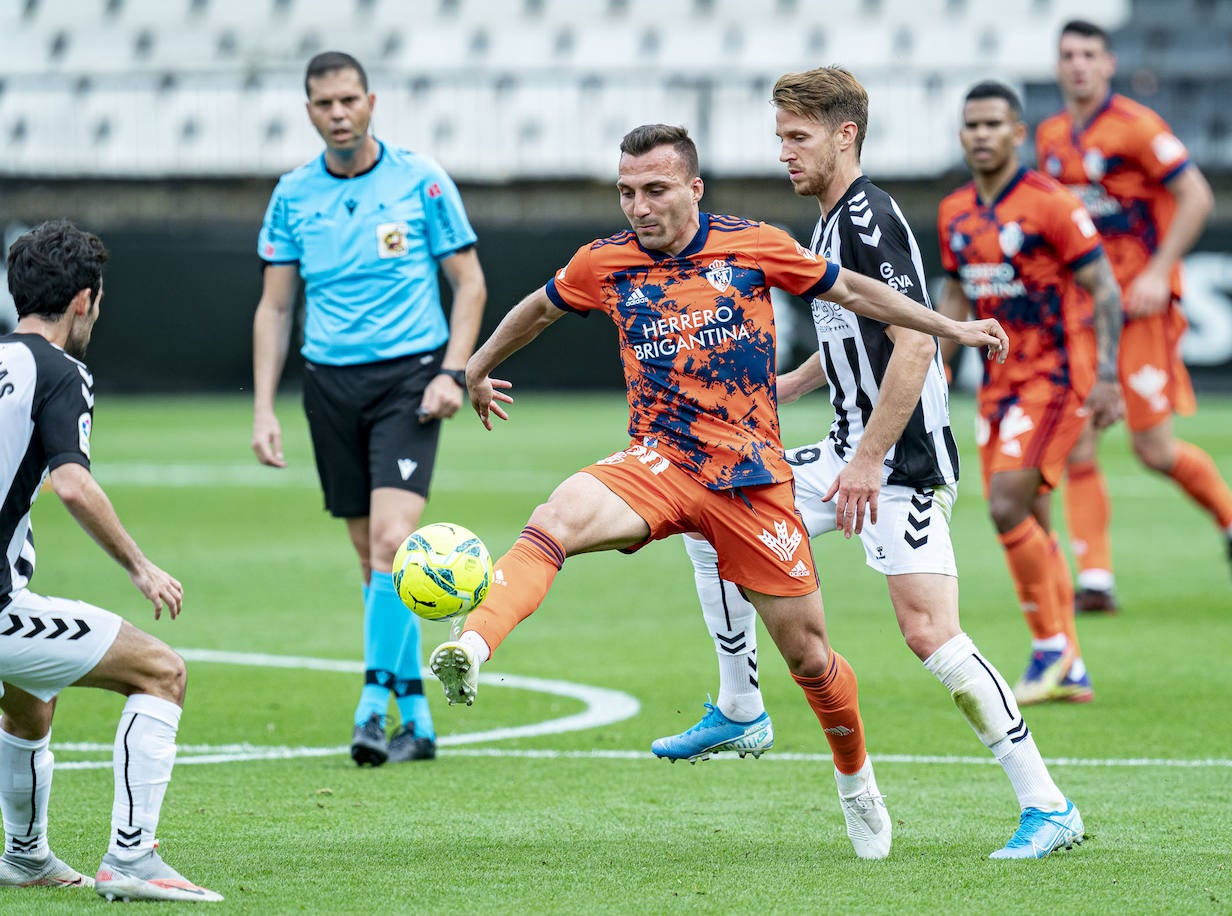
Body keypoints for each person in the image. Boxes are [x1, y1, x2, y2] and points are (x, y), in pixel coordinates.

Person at [426, 123, 1010, 860]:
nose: (639, 207)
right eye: (627, 192)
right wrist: (473, 369)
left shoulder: (754, 244)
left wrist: (947, 325)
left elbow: (860, 293)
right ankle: (475, 643)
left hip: (753, 483)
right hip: (660, 463)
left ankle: (857, 780)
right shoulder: (602, 262)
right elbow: (538, 309)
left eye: (655, 190)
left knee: (809, 659)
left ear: (694, 188)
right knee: (557, 516)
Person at [652, 68, 1087, 859]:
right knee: (709, 508)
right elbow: (852, 338)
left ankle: (1049, 804)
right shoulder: (826, 225)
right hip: (853, 448)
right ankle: (741, 703)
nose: (782, 152)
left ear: (843, 134)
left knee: (930, 635)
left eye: (797, 137)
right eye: (780, 135)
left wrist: (869, 459)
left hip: (904, 462)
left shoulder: (867, 219)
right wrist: (784, 384)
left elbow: (915, 343)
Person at [251, 51, 488, 766]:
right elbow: (275, 305)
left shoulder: (420, 179)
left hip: (409, 382)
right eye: (325, 103)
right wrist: (264, 406)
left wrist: (452, 372)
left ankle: (371, 707)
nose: (339, 113)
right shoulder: (293, 194)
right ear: (309, 111)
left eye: (350, 99)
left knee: (393, 543)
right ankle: (417, 714)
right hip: (329, 384)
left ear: (372, 100)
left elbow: (470, 284)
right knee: (370, 559)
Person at [0, 221, 221, 902]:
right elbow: (73, 481)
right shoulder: (62, 372)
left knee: (29, 702)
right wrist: (139, 566)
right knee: (161, 671)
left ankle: (27, 855)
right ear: (85, 300)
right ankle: (132, 859)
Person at [1037, 19, 1232, 612]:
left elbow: (1197, 195)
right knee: (1078, 442)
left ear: (1108, 64)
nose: (1078, 64)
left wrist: (1161, 270)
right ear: (1057, 66)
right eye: (1068, 55)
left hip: (1138, 307)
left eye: (1089, 54)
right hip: (1085, 311)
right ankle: (1097, 581)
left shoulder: (1137, 127)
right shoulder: (1051, 137)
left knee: (1153, 450)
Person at [935, 81, 1124, 706]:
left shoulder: (1051, 203)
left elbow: (1104, 289)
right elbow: (957, 301)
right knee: (1032, 520)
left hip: (1054, 381)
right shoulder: (953, 211)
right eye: (972, 124)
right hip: (997, 388)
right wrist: (934, 371)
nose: (981, 134)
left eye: (993, 124)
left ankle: (1048, 647)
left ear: (1018, 133)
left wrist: (1107, 377)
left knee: (1006, 506)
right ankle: (1069, 666)